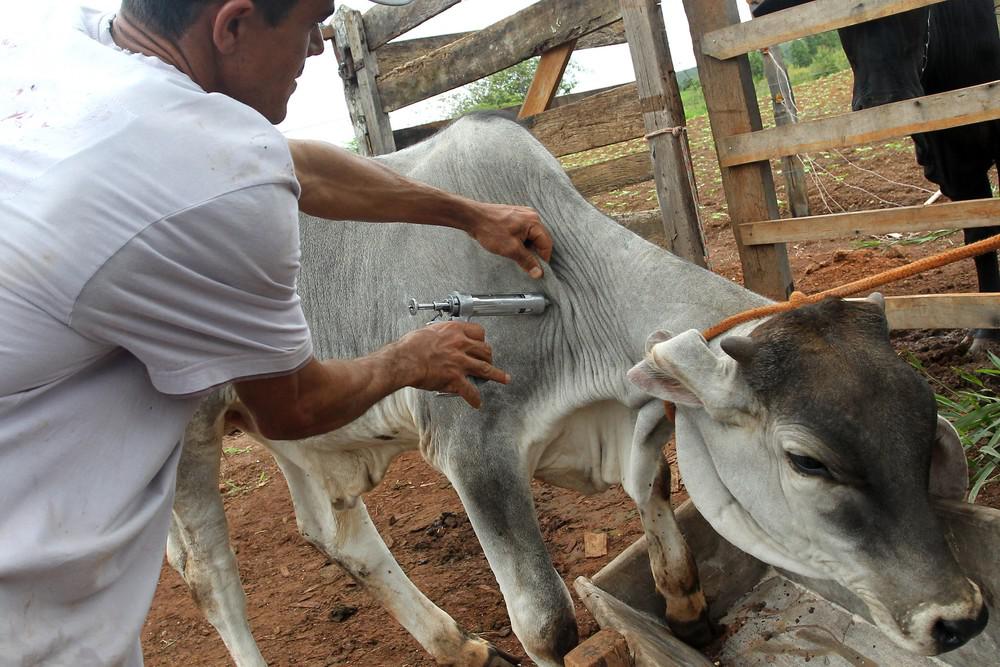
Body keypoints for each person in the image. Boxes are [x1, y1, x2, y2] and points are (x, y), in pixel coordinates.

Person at [0, 0, 554, 664]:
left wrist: (468, 213)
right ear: (232, 27)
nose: (319, 47)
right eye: (308, 23)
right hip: (30, 606)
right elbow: (295, 406)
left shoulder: (57, 44)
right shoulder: (216, 190)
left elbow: (303, 170)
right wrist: (408, 359)